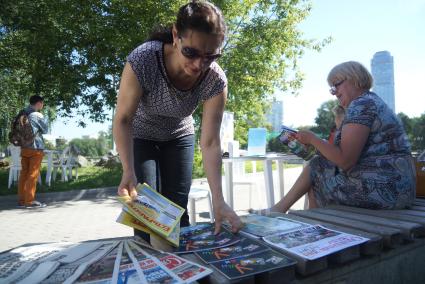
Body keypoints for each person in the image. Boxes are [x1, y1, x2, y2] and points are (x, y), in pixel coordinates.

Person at [113, 0, 243, 239]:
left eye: (210, 56)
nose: (199, 65)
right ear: (176, 35)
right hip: (140, 135)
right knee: (146, 214)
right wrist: (128, 170)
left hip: (179, 135)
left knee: (178, 213)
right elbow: (122, 119)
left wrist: (219, 200)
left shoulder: (215, 80)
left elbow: (211, 142)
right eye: (191, 52)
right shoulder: (144, 59)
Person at [255, 61, 416, 213]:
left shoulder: (362, 105)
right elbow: (348, 155)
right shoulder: (370, 101)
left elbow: (345, 161)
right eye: (331, 87)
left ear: (355, 79)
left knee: (316, 172)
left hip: (387, 190)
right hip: (396, 187)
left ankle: (295, 217)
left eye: (336, 84)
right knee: (319, 165)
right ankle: (295, 216)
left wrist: (313, 139)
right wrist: (316, 147)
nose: (333, 92)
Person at [18, 95, 48, 208]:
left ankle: (22, 200)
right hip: (36, 148)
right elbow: (45, 130)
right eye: (42, 103)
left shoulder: (22, 113)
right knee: (33, 174)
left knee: (24, 174)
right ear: (39, 103)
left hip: (24, 147)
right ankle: (29, 201)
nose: (43, 105)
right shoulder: (38, 115)